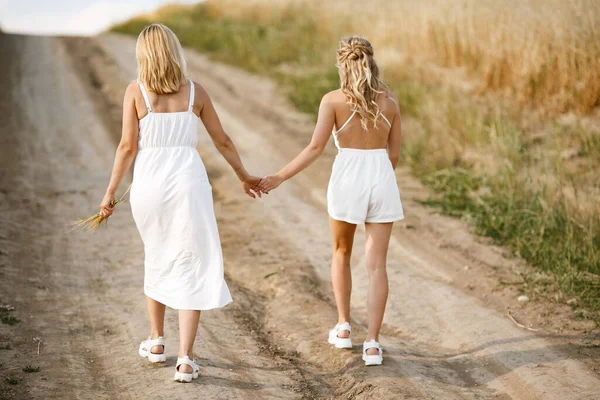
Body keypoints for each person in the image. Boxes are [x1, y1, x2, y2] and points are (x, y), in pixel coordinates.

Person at [99, 23, 262, 382]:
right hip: (188, 183)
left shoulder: (135, 92)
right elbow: (222, 140)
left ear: (143, 54)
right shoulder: (195, 92)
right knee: (192, 261)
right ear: (174, 51)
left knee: (157, 254)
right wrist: (243, 174)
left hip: (150, 184)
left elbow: (127, 147)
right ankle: (186, 360)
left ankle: (157, 341)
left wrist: (110, 192)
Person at [259, 36, 403, 366]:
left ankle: (343, 328)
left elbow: (314, 149)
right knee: (377, 265)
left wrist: (279, 177)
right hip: (381, 177)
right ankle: (372, 344)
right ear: (371, 62)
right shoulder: (391, 103)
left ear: (343, 65)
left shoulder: (333, 101)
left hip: (347, 179)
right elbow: (393, 154)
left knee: (341, 252)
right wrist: (378, 176)